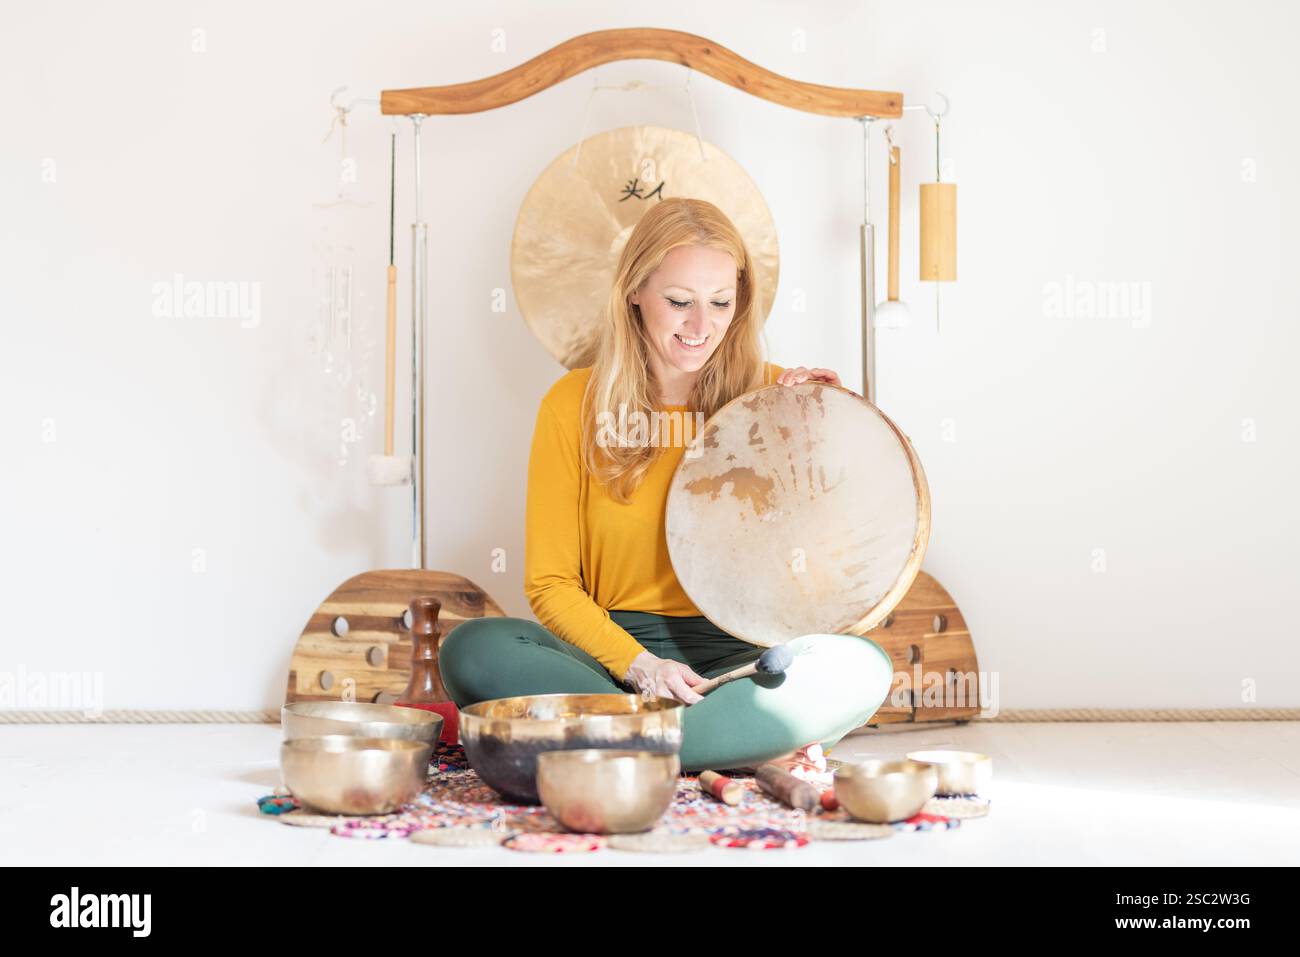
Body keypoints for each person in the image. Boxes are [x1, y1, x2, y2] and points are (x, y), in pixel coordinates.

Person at [440, 197, 894, 774]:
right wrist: (641, 666)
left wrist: (822, 430)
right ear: (634, 292)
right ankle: (721, 742)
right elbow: (550, 584)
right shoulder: (570, 405)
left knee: (863, 666)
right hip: (609, 662)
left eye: (721, 302)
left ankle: (615, 739)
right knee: (474, 649)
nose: (701, 327)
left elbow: (836, 558)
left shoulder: (775, 397)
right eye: (679, 302)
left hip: (741, 662)